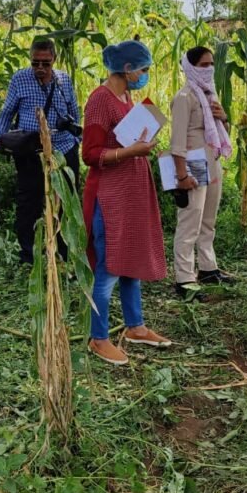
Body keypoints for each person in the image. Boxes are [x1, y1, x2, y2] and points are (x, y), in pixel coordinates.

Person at [82, 39, 171, 366]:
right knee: (108, 266)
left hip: (131, 194)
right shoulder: (99, 100)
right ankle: (98, 337)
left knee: (130, 258)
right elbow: (90, 154)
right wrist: (130, 152)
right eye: (143, 69)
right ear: (128, 68)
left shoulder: (126, 97)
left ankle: (136, 327)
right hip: (111, 197)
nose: (145, 75)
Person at [0, 39, 81, 265]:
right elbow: (7, 112)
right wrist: (0, 138)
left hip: (63, 149)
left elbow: (74, 111)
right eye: (35, 63)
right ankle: (29, 256)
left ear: (54, 60)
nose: (40, 68)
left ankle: (64, 253)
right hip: (31, 152)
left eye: (46, 63)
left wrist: (76, 140)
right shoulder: (20, 79)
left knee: (66, 201)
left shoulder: (63, 80)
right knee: (28, 203)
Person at [170, 46, 234, 300]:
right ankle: (184, 279)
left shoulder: (210, 94)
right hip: (193, 163)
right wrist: (181, 176)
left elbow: (220, 130)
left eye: (211, 64)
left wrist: (224, 117)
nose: (209, 69)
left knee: (208, 219)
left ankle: (208, 268)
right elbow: (177, 141)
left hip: (212, 160)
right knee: (190, 221)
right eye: (203, 65)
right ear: (190, 67)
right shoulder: (184, 97)